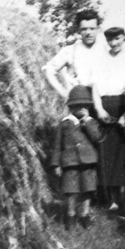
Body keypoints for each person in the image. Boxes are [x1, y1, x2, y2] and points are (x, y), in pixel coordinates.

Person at [91, 27, 125, 211]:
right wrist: (99, 108)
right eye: (110, 39)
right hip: (105, 105)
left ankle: (124, 197)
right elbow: (95, 86)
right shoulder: (101, 59)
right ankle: (110, 199)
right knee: (105, 153)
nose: (114, 43)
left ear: (124, 38)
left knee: (123, 154)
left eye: (117, 38)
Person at [50, 85, 102, 231]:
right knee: (71, 190)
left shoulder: (92, 122)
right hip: (70, 163)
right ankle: (70, 215)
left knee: (88, 189)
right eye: (77, 106)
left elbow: (97, 138)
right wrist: (56, 164)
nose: (80, 109)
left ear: (88, 107)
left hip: (88, 162)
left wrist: (86, 121)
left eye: (84, 106)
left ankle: (85, 214)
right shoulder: (64, 124)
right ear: (71, 107)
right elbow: (57, 145)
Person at [43, 9, 103, 98]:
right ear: (79, 30)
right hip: (79, 103)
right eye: (84, 29)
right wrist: (63, 92)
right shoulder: (70, 51)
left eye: (92, 28)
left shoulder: (104, 51)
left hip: (103, 102)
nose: (88, 33)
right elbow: (48, 70)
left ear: (98, 29)